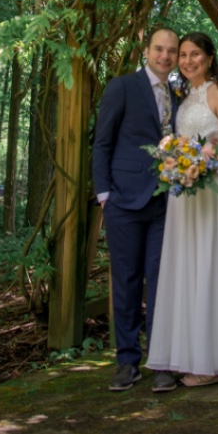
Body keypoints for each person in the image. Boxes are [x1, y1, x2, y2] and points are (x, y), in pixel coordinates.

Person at [146, 31, 218, 386]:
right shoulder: (186, 94)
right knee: (189, 271)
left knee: (210, 269)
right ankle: (192, 354)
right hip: (185, 194)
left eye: (195, 54)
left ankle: (213, 365)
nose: (187, 60)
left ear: (210, 58)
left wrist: (203, 170)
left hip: (209, 190)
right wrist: (180, 169)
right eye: (183, 54)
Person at [91, 26, 181, 393]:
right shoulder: (122, 86)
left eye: (172, 51)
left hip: (166, 203)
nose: (165, 56)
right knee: (126, 283)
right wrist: (104, 195)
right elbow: (102, 142)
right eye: (159, 49)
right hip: (123, 202)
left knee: (161, 282)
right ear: (146, 51)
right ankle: (127, 361)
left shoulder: (179, 93)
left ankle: (160, 360)